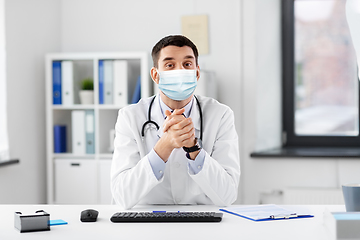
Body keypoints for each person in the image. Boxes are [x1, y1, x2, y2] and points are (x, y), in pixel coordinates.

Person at [111, 35, 240, 209]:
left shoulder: (221, 115)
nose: (180, 71)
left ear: (197, 72)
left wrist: (194, 149)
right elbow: (122, 196)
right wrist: (163, 146)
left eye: (187, 64)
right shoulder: (130, 117)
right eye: (170, 65)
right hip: (147, 223)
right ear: (156, 75)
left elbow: (228, 195)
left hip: (202, 222)